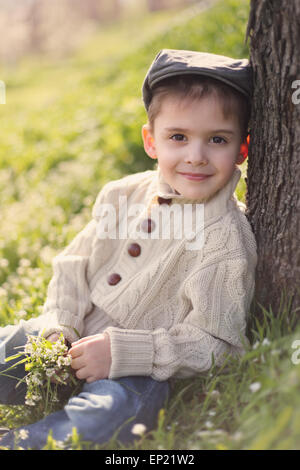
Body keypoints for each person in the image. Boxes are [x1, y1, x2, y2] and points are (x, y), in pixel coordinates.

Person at [0, 49, 257, 449]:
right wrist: (59, 326)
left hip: (137, 370)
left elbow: (218, 344)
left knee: (111, 414)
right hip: (69, 337)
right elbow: (73, 264)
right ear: (151, 141)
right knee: (10, 345)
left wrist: (127, 352)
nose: (195, 156)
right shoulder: (121, 194)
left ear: (242, 149)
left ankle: (20, 443)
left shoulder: (225, 239)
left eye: (217, 140)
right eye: (178, 137)